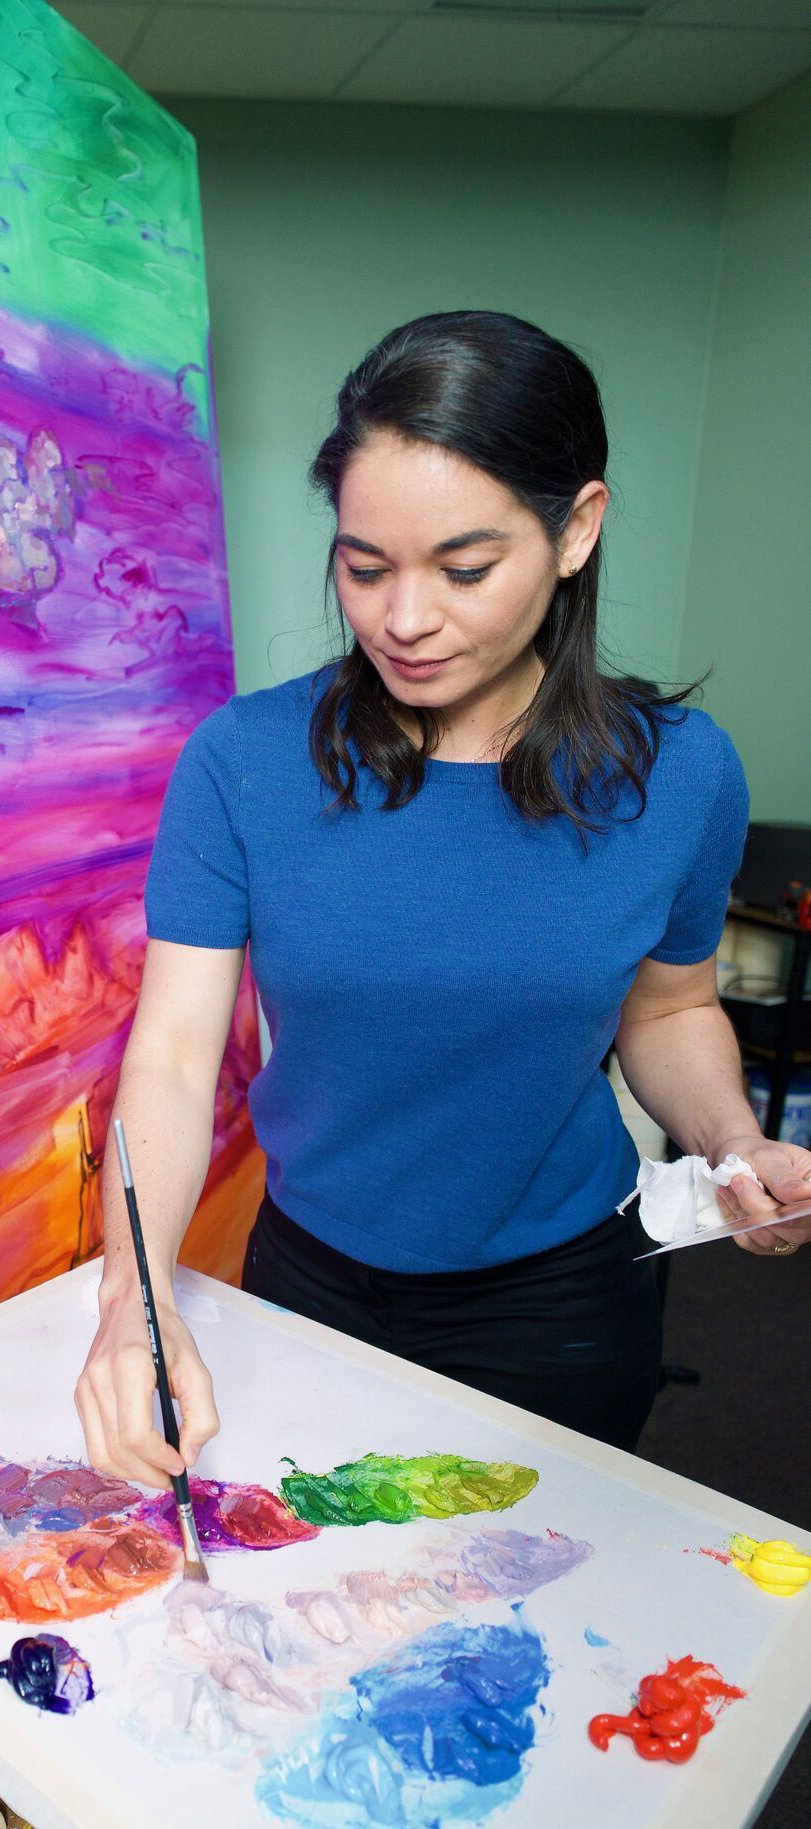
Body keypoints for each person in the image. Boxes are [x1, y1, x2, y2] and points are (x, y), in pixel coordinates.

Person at [76, 311, 810, 1487]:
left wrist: (728, 1140)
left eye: (462, 569)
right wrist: (132, 1295)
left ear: (574, 529)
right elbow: (168, 1054)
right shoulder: (242, 763)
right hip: (308, 1279)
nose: (402, 619)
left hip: (559, 1298)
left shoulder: (677, 773)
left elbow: (667, 1009)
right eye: (363, 566)